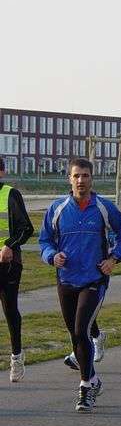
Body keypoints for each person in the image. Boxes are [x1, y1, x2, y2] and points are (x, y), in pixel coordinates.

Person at [39, 158, 121, 412]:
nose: (81, 180)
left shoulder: (104, 208)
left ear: (92, 178)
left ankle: (85, 388)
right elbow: (45, 240)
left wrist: (114, 259)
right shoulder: (57, 208)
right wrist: (51, 256)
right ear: (69, 178)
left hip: (94, 279)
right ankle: (93, 379)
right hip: (66, 279)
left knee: (82, 330)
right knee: (75, 335)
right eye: (76, 176)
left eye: (86, 176)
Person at [0, 160, 34, 382]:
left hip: (8, 263)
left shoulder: (10, 194)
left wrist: (9, 245)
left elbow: (27, 228)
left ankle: (16, 356)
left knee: (10, 309)